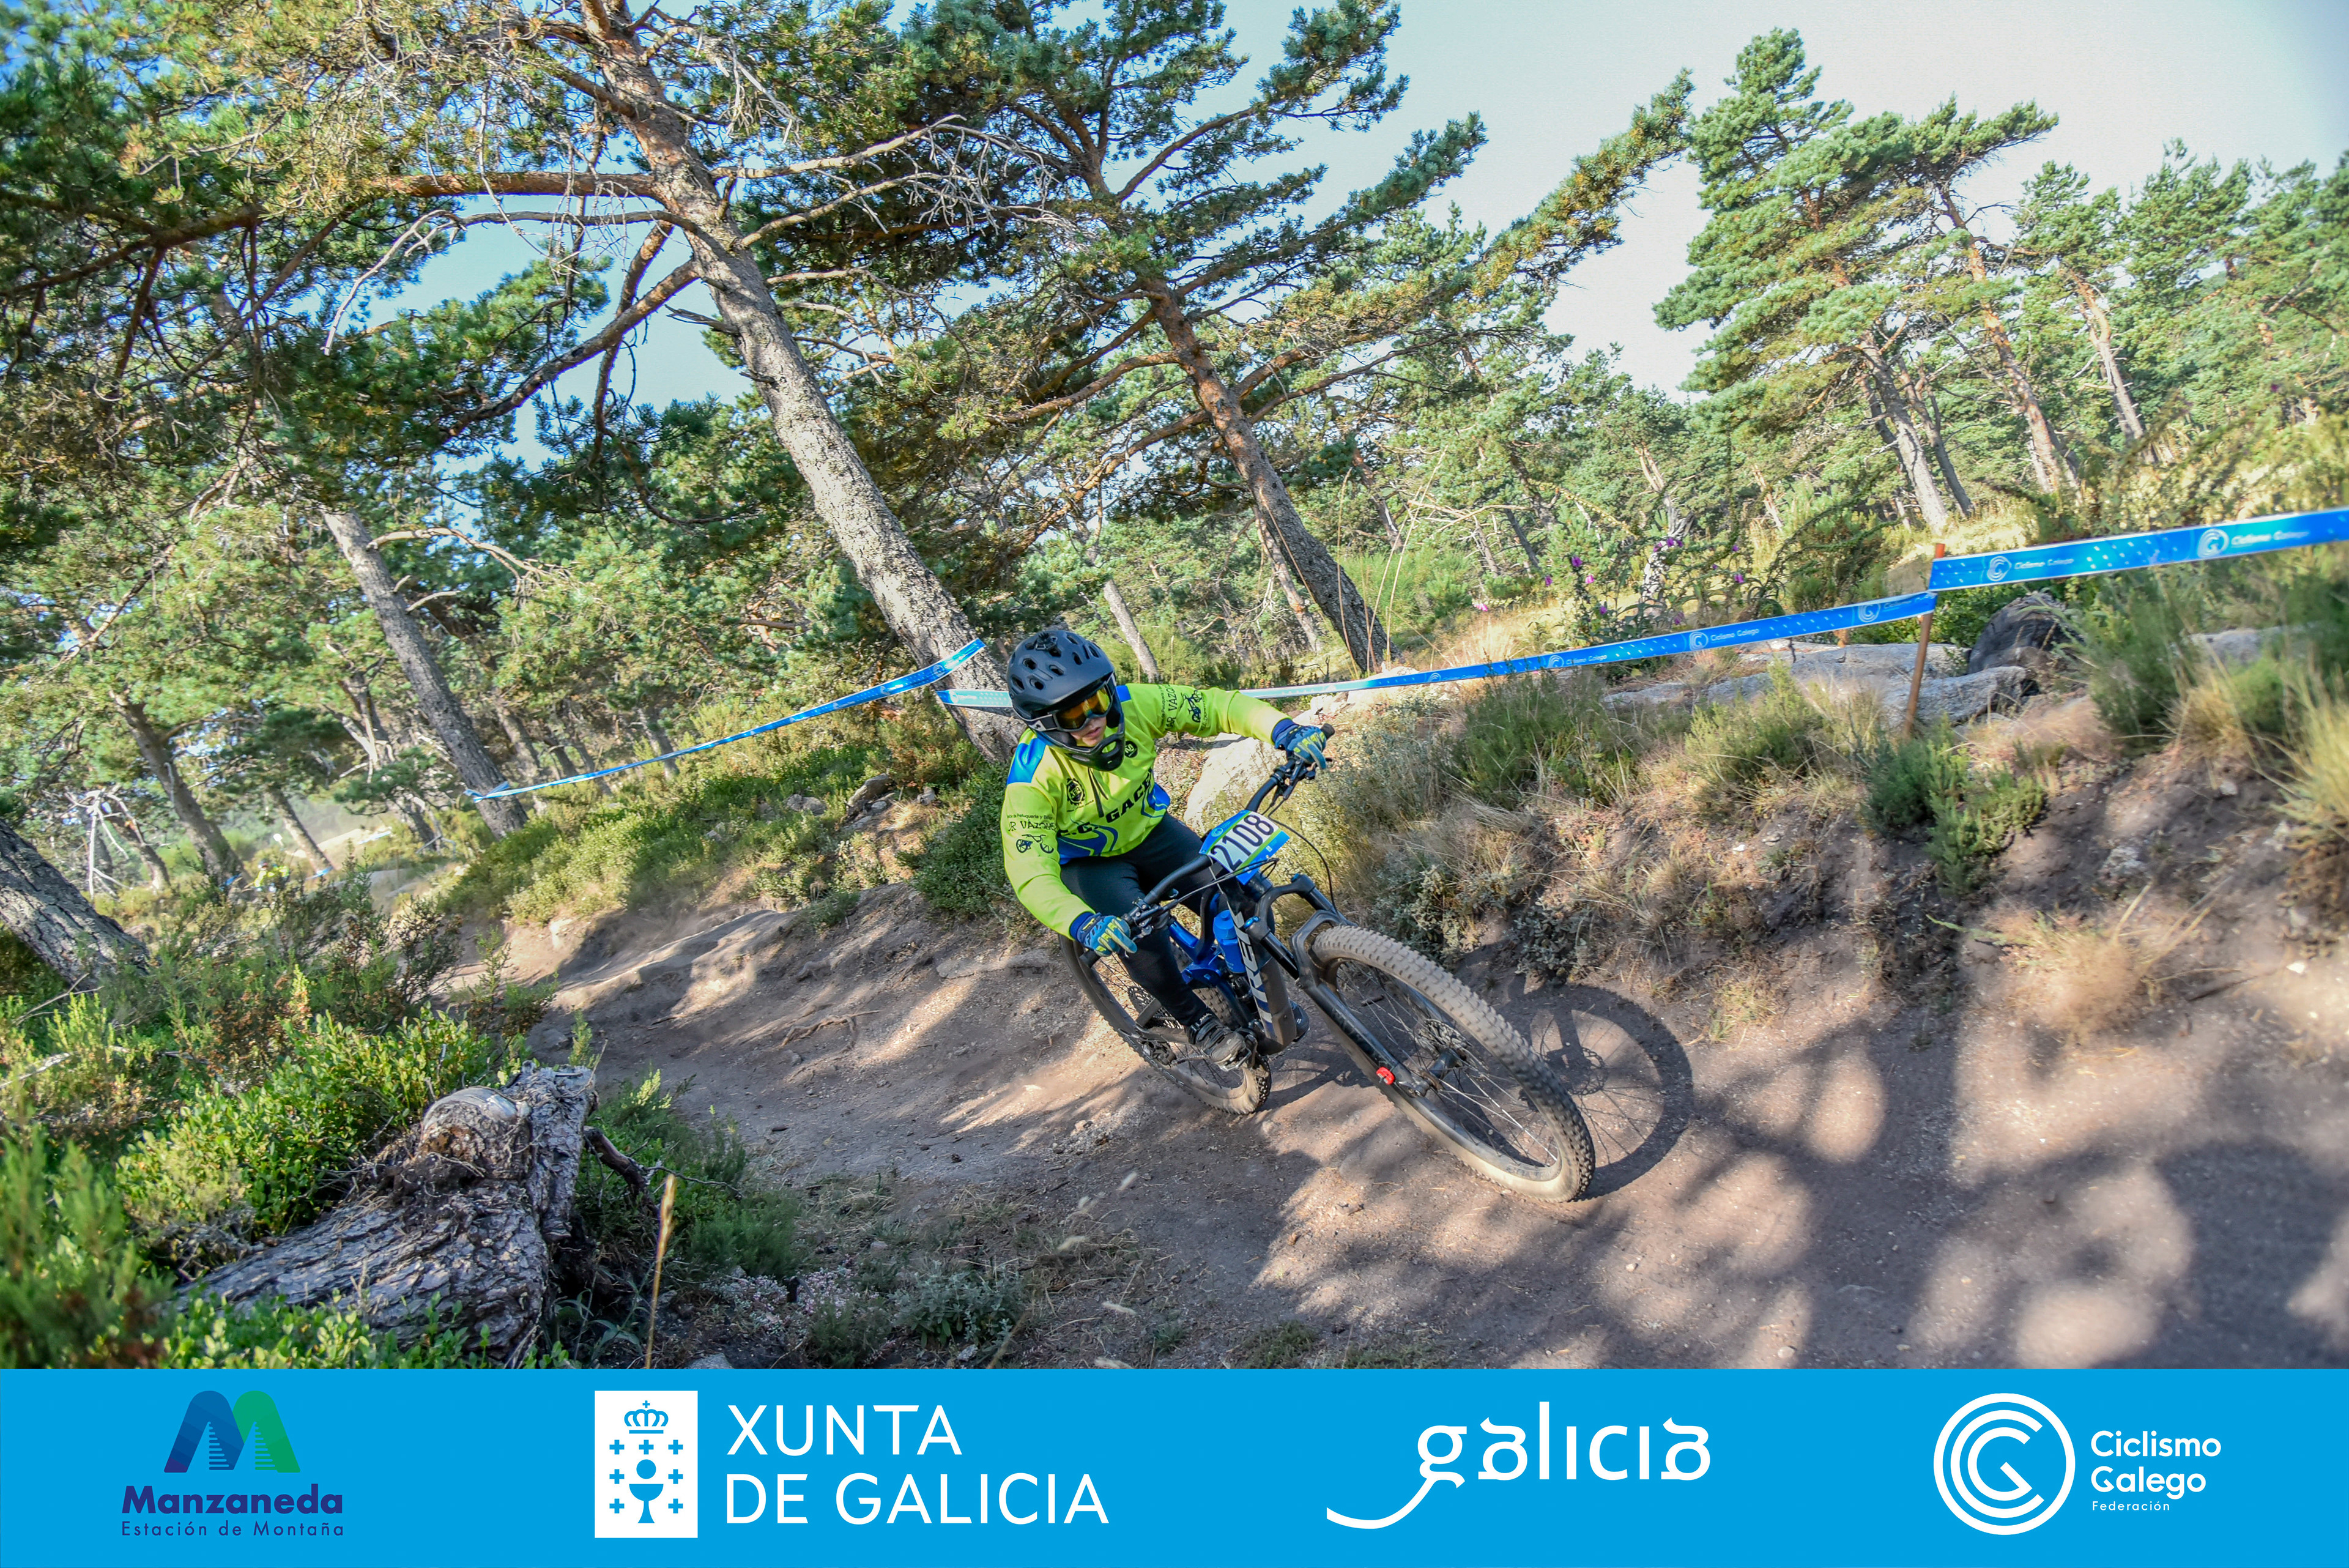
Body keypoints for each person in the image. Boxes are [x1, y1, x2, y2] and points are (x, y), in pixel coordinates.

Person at [998, 630, 1329, 1066]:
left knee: (1235, 894)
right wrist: (1083, 923)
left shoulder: (1136, 704)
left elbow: (1217, 707)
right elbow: (1030, 871)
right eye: (1074, 714)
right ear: (1045, 725)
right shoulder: (1033, 780)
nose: (1094, 718)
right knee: (1140, 935)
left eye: (1099, 699)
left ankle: (1247, 984)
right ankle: (1197, 1021)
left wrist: (1284, 730)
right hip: (1092, 864)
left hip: (1153, 833)